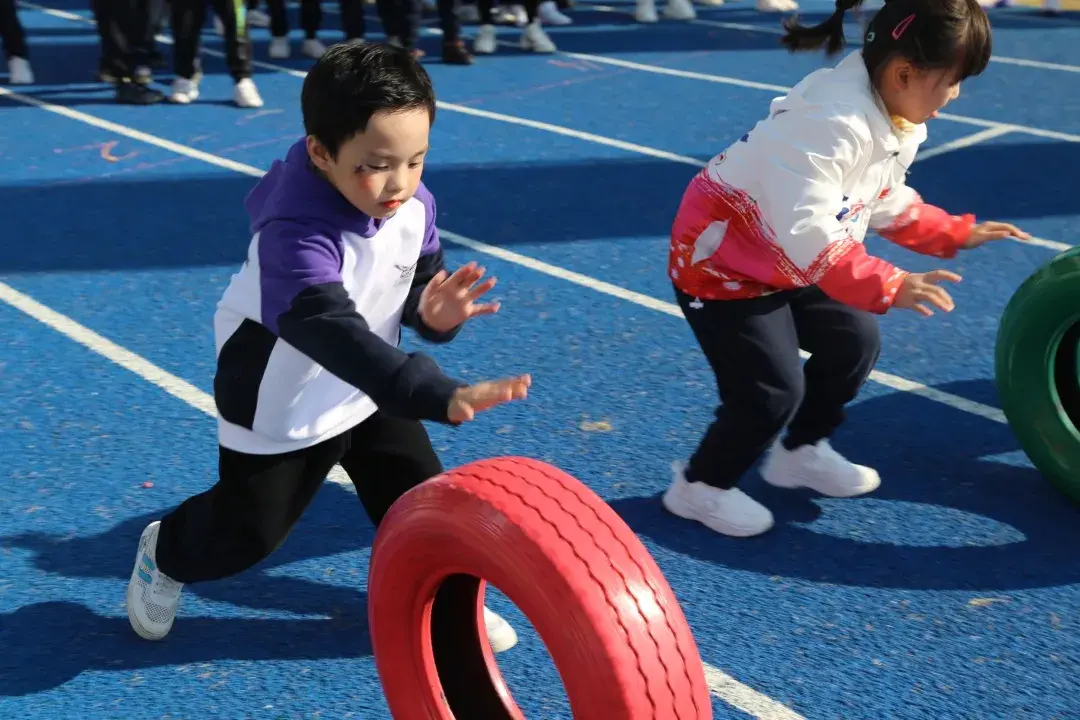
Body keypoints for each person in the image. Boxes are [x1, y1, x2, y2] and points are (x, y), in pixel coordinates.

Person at [126, 43, 531, 653]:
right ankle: (168, 551)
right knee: (247, 536)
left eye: (417, 159)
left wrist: (432, 313)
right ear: (320, 151)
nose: (400, 183)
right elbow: (330, 327)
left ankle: (453, 607)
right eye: (378, 164)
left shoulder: (414, 204)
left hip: (371, 392)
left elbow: (416, 280)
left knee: (426, 504)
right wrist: (432, 390)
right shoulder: (293, 235)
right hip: (283, 404)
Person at [662, 0, 1029, 537]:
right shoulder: (827, 125)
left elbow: (878, 198)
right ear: (905, 72)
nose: (956, 96)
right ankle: (699, 487)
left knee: (854, 340)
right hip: (722, 266)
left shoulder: (892, 117)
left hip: (785, 256)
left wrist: (951, 231)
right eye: (953, 82)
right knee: (770, 391)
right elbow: (808, 228)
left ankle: (800, 452)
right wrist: (889, 282)